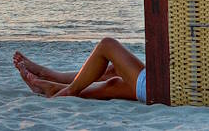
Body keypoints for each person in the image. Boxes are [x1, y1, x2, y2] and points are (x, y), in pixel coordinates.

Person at [14, 37, 147, 102]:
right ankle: (53, 81)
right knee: (112, 76)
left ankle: (68, 90)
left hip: (161, 87)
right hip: (162, 87)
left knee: (107, 45)